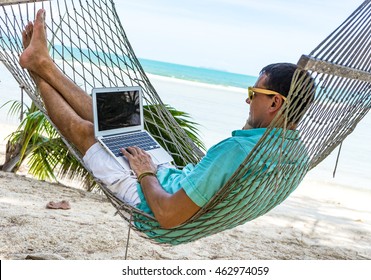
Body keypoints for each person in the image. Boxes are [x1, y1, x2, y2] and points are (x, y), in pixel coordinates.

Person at [20, 9, 314, 230]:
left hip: (153, 208)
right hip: (174, 182)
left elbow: (169, 216)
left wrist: (146, 172)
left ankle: (37, 66)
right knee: (115, 124)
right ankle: (45, 64)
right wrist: (153, 170)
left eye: (254, 92)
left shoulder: (238, 152)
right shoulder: (297, 155)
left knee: (86, 132)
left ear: (275, 102)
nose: (248, 100)